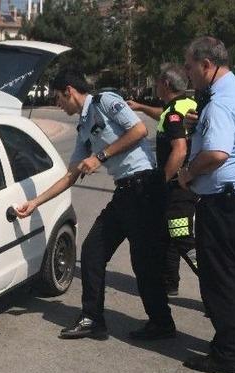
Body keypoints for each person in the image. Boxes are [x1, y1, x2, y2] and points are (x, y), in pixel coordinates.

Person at [16, 69, 174, 341]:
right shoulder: (83, 128)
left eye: (58, 98)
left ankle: (162, 323)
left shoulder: (105, 101)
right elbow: (71, 175)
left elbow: (139, 130)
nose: (58, 105)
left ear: (69, 91)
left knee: (144, 262)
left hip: (144, 189)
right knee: (92, 252)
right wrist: (35, 202)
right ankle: (92, 319)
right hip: (124, 193)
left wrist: (100, 156)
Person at [176, 37, 235, 373]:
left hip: (227, 205)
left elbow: (216, 154)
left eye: (189, 67)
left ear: (206, 65)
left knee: (221, 280)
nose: (187, 73)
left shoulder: (221, 102)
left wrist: (188, 173)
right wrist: (199, 126)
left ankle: (227, 355)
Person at [128, 64, 198, 296]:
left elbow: (179, 150)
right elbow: (164, 115)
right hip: (182, 186)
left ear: (166, 84)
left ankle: (214, 282)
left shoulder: (175, 113)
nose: (156, 85)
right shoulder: (183, 105)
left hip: (178, 189)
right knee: (168, 236)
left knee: (181, 236)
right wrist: (140, 106)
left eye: (157, 82)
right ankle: (169, 283)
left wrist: (162, 182)